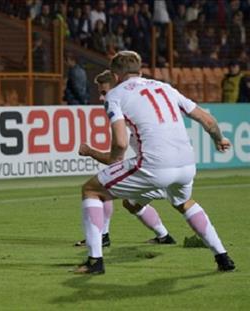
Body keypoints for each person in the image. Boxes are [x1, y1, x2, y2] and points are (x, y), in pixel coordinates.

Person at [74, 51, 235, 274]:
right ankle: (223, 257)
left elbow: (120, 143)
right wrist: (220, 139)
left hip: (154, 166)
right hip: (187, 164)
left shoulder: (115, 95)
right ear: (140, 69)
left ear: (115, 74)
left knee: (91, 189)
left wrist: (108, 159)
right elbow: (207, 120)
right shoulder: (166, 88)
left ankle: (95, 261)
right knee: (183, 203)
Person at [74, 69, 176, 248]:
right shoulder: (139, 106)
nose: (101, 98)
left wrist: (90, 151)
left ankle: (101, 238)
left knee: (100, 187)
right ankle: (164, 236)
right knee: (131, 203)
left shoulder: (123, 114)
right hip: (176, 169)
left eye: (104, 92)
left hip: (156, 172)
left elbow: (115, 160)